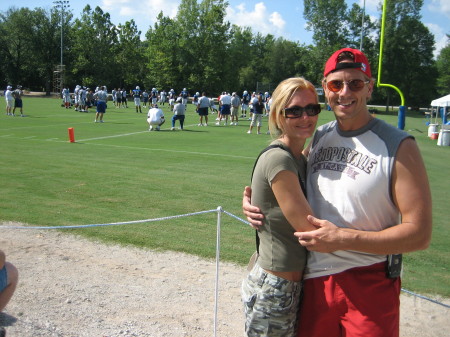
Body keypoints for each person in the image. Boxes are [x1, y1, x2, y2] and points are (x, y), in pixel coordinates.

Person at [243, 48, 432, 337]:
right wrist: (255, 203)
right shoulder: (319, 136)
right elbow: (284, 178)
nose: (345, 92)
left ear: (369, 87)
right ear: (326, 89)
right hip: (314, 281)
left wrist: (343, 238)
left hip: (369, 282)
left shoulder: (399, 145)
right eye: (336, 84)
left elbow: (419, 234)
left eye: (355, 83)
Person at [242, 77, 321, 337]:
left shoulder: (298, 157)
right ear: (278, 114)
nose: (305, 117)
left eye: (312, 109)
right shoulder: (280, 159)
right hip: (276, 285)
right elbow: (307, 228)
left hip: (289, 283)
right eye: (294, 111)